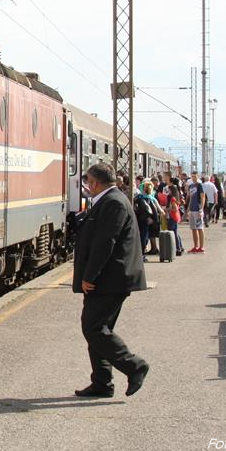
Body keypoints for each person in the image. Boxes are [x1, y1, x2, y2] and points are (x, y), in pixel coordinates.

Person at [72, 162, 150, 398]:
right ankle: (102, 382)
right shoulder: (110, 200)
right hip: (108, 279)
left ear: (95, 182)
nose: (88, 187)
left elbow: (106, 242)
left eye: (88, 182)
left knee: (93, 328)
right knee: (98, 329)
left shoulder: (114, 202)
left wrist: (89, 276)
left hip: (110, 279)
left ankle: (134, 365)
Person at [187, 173, 207, 253]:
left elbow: (203, 197)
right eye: (192, 176)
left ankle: (201, 247)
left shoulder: (200, 185)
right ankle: (195, 246)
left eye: (195, 176)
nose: (193, 178)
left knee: (199, 228)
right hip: (192, 209)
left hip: (198, 209)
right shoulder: (191, 186)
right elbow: (191, 198)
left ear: (197, 177)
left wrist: (201, 208)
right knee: (193, 228)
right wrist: (188, 208)